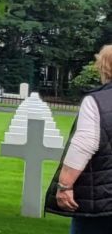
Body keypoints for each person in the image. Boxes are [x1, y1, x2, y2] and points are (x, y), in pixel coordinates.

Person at [51, 45, 112, 232]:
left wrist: (64, 186)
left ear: (104, 67)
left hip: (103, 202)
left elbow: (84, 144)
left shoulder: (98, 101)